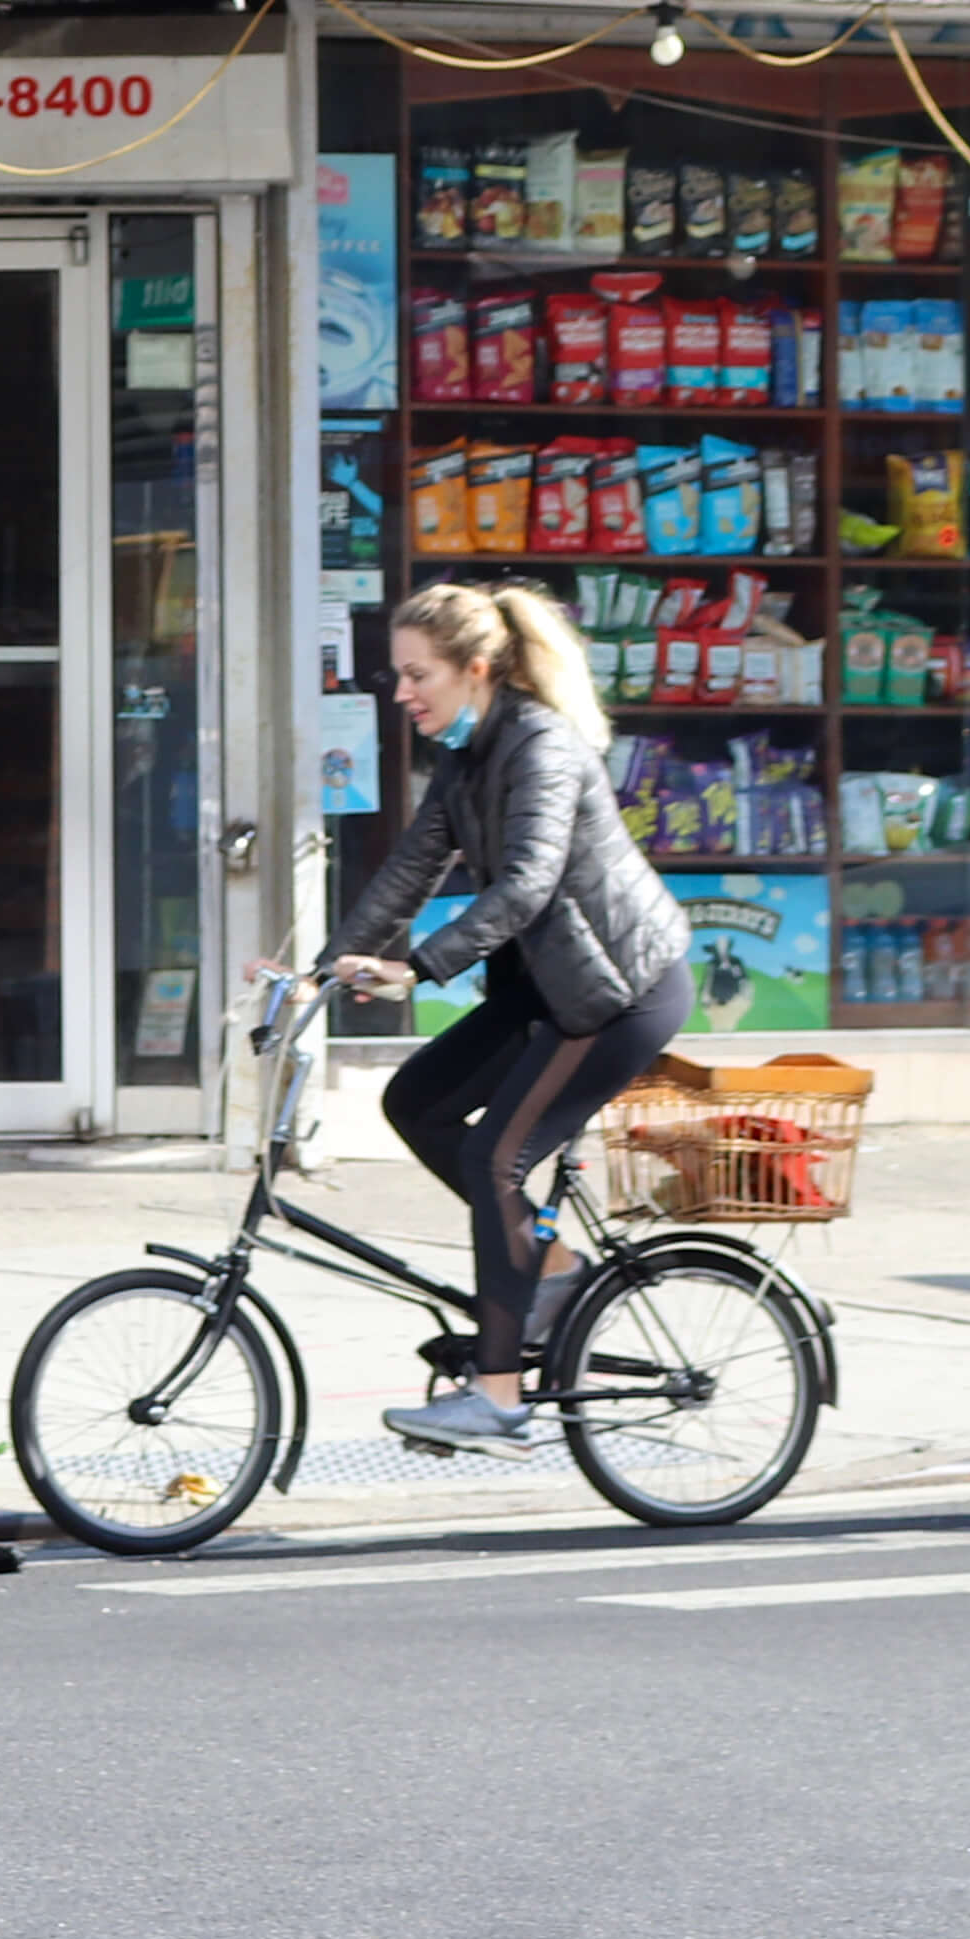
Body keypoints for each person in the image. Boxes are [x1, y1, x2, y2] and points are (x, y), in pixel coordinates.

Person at [326, 579, 694, 1458]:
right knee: (416, 1102)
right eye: (399, 676)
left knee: (500, 1155)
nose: (403, 692)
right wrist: (323, 966)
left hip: (617, 993)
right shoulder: (466, 755)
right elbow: (410, 869)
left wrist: (417, 966)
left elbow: (527, 884)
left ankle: (497, 1396)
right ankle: (553, 1266)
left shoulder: (540, 746)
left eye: (418, 674)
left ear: (477, 668)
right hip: (548, 987)